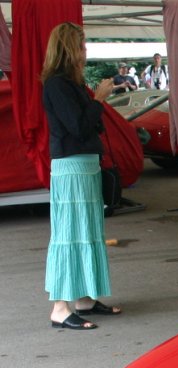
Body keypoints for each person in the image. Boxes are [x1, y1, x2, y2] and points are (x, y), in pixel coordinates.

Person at [41, 22, 122, 330]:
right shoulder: (57, 85)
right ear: (69, 49)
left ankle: (85, 298)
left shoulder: (71, 84)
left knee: (87, 232)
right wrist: (98, 100)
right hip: (71, 166)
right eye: (82, 46)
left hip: (84, 165)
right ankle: (60, 308)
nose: (85, 52)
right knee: (69, 234)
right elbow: (77, 126)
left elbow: (89, 125)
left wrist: (95, 102)